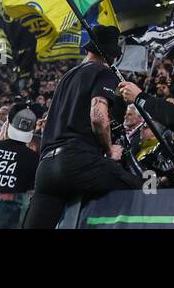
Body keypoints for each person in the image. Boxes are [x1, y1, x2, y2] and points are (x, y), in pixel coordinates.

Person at [24, 26, 140, 228]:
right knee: (143, 187)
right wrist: (109, 149)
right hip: (79, 161)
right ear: (112, 55)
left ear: (89, 49)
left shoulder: (66, 77)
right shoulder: (104, 72)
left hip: (46, 169)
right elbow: (98, 117)